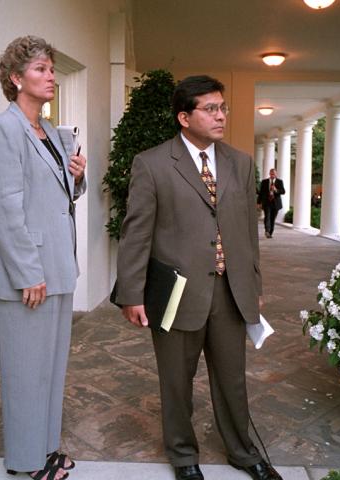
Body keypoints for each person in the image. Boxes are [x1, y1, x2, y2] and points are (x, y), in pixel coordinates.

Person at [115, 75, 282, 480]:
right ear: (184, 117)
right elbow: (136, 233)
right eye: (211, 109)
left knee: (232, 380)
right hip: (176, 293)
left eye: (222, 107)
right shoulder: (152, 163)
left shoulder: (240, 163)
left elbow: (247, 232)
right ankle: (183, 455)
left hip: (229, 291)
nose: (221, 115)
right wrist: (131, 294)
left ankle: (243, 452)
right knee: (176, 381)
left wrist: (253, 286)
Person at [0, 35, 86, 480]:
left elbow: (59, 199)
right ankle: (25, 462)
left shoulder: (50, 134)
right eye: (41, 69)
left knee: (50, 370)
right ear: (15, 78)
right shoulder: (3, 129)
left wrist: (77, 178)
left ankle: (45, 450)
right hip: (29, 275)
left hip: (58, 268)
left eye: (52, 69)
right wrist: (28, 274)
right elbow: (5, 207)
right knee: (25, 373)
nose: (51, 78)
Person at [257, 169, 285, 238]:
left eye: (274, 174)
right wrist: (258, 202)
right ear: (269, 174)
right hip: (267, 202)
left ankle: (270, 232)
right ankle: (267, 230)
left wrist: (276, 190)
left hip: (275, 203)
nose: (272, 175)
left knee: (272, 218)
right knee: (267, 216)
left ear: (276, 174)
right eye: (271, 174)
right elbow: (261, 193)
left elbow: (283, 191)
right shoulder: (264, 182)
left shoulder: (279, 181)